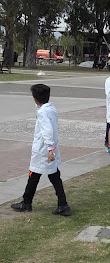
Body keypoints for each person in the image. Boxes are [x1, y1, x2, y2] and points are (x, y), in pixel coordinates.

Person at [11, 84, 71, 216]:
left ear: (34, 98)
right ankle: (61, 204)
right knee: (51, 176)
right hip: (49, 148)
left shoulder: (43, 112)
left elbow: (47, 131)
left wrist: (50, 149)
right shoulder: (49, 108)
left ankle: (28, 203)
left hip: (44, 149)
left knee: (36, 174)